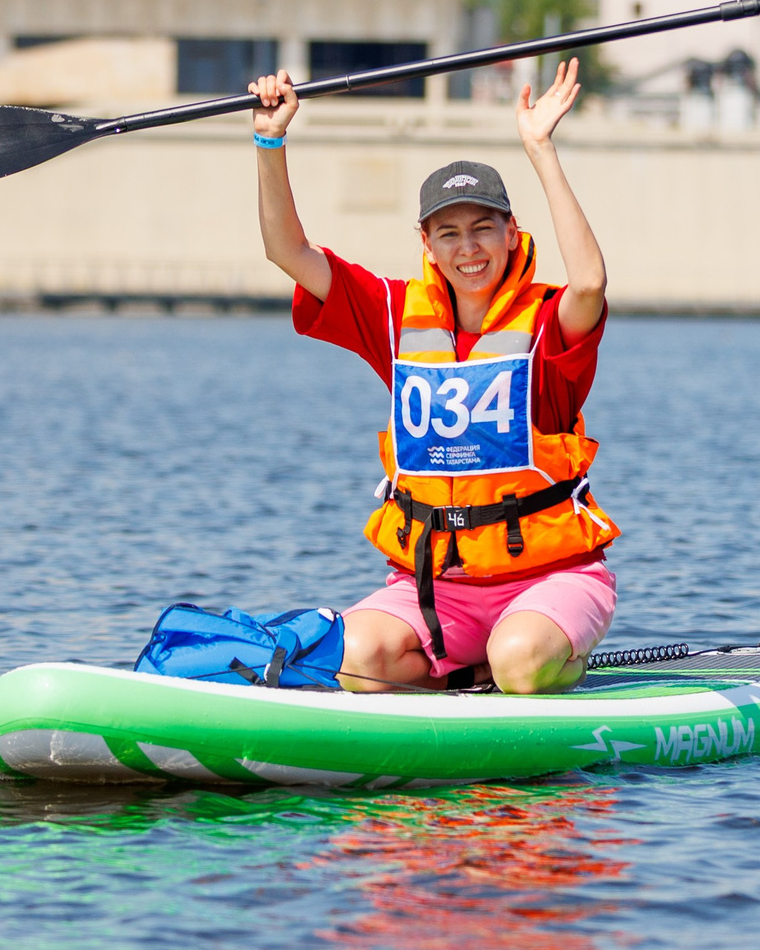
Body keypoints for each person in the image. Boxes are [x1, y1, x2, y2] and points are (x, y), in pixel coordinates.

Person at [247, 59, 618, 694]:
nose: (468, 249)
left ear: (510, 232)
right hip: (433, 587)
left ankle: (534, 667)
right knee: (353, 659)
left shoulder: (550, 321)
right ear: (427, 242)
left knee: (521, 661)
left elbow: (590, 281)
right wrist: (270, 141)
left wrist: (540, 148)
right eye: (449, 233)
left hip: (549, 579)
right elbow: (288, 252)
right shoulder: (392, 313)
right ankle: (466, 677)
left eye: (482, 229)